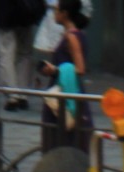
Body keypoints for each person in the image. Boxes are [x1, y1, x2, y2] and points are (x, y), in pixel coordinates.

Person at [38, 0, 92, 152]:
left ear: (65, 14)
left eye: (57, 10)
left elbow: (80, 68)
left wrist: (56, 70)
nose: (54, 13)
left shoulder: (71, 36)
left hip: (65, 91)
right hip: (67, 90)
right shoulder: (73, 35)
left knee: (61, 138)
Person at [0, 0, 45, 111]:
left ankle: (12, 95)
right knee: (25, 54)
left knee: (6, 54)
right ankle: (23, 94)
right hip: (26, 12)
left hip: (6, 12)